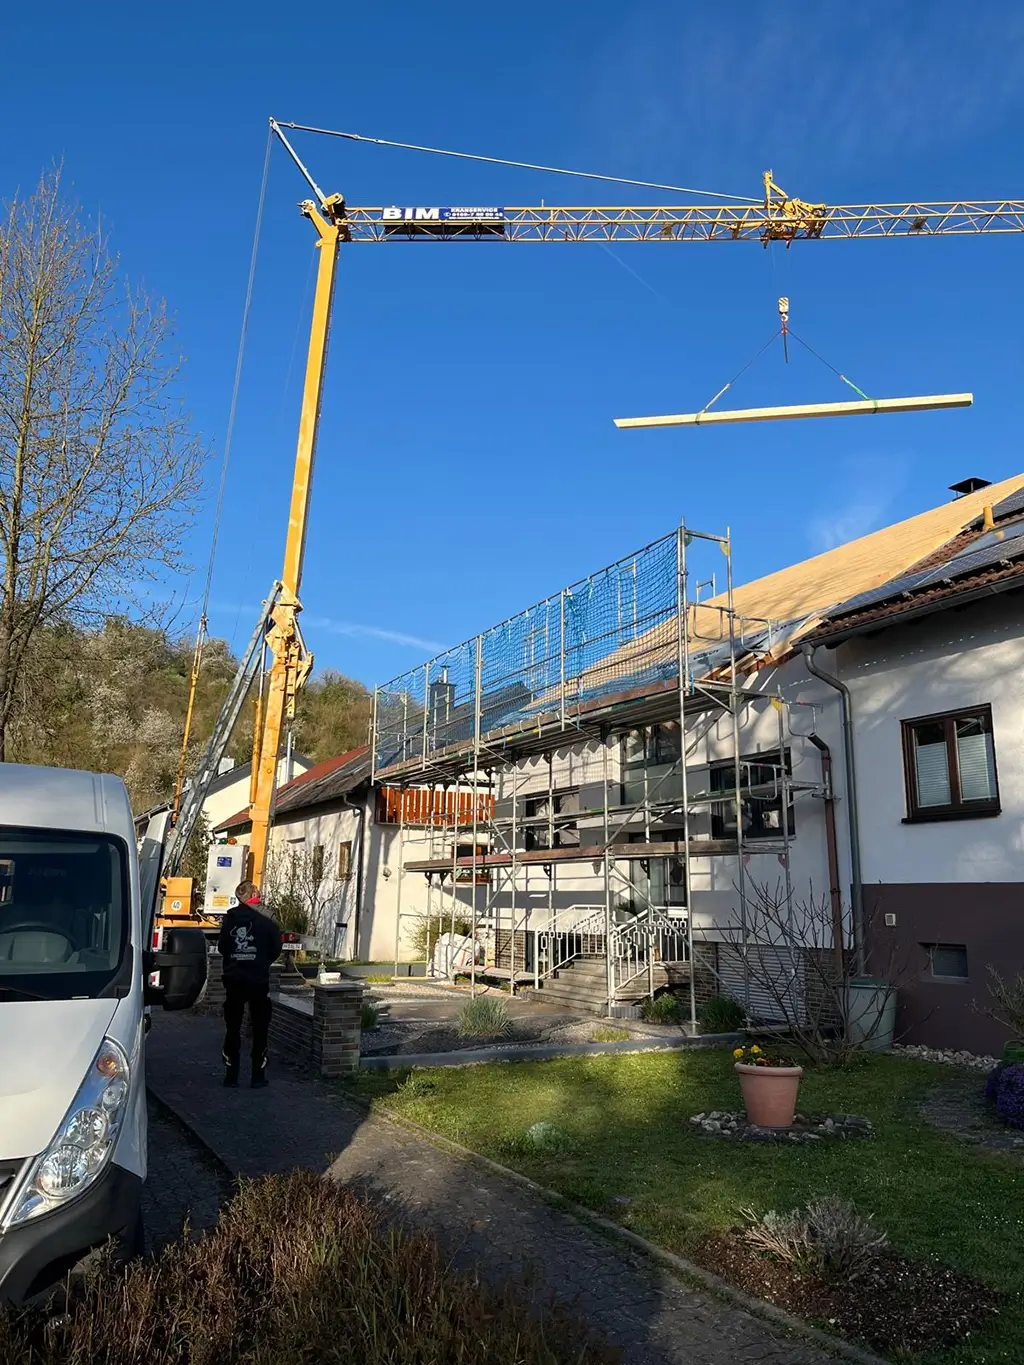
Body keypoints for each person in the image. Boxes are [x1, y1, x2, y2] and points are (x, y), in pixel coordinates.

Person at [217, 879, 283, 1088]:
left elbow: (222, 946)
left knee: (233, 1027)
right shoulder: (268, 916)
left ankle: (231, 1075)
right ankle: (258, 1075)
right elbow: (276, 947)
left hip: (234, 979)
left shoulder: (230, 918)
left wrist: (236, 960)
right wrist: (261, 962)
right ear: (254, 894)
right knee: (260, 1028)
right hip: (258, 979)